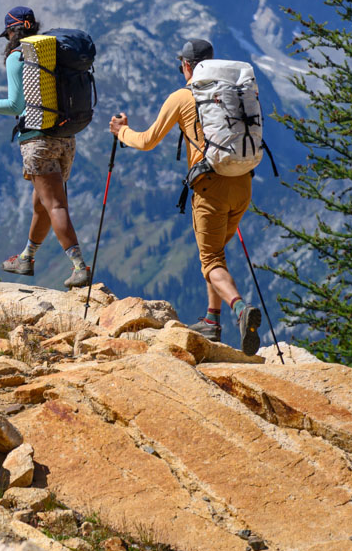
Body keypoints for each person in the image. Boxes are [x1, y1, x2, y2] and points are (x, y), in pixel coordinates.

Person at [107, 37, 263, 352]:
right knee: (216, 253)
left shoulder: (183, 96)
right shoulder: (232, 92)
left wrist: (121, 131)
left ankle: (240, 309)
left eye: (181, 65)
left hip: (211, 187)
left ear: (187, 66)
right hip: (243, 181)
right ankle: (212, 320)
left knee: (211, 260)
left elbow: (148, 140)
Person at [0, 5, 93, 288]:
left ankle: (79, 267)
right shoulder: (51, 52)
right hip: (65, 137)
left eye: (8, 33)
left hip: (37, 140)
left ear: (12, 32)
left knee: (55, 204)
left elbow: (15, 105)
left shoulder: (17, 56)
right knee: (41, 205)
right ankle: (26, 258)